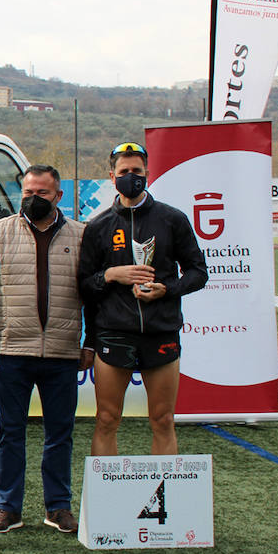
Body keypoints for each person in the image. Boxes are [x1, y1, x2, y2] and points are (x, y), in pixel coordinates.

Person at [0, 165, 92, 535]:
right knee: (10, 432)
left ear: (58, 196)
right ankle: (8, 508)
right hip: (12, 353)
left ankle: (58, 507)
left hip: (62, 353)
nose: (32, 198)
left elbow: (95, 295)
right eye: (27, 191)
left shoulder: (82, 236)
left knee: (60, 433)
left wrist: (91, 343)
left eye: (41, 192)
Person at [79, 141, 208, 455]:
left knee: (163, 419)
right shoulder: (97, 227)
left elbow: (198, 271)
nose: (131, 177)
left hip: (161, 330)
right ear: (112, 177)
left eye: (137, 171)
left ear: (148, 173)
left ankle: (163, 501)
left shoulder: (172, 219)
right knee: (107, 418)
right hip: (115, 332)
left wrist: (169, 289)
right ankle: (107, 499)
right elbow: (84, 285)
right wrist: (111, 275)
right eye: (124, 172)